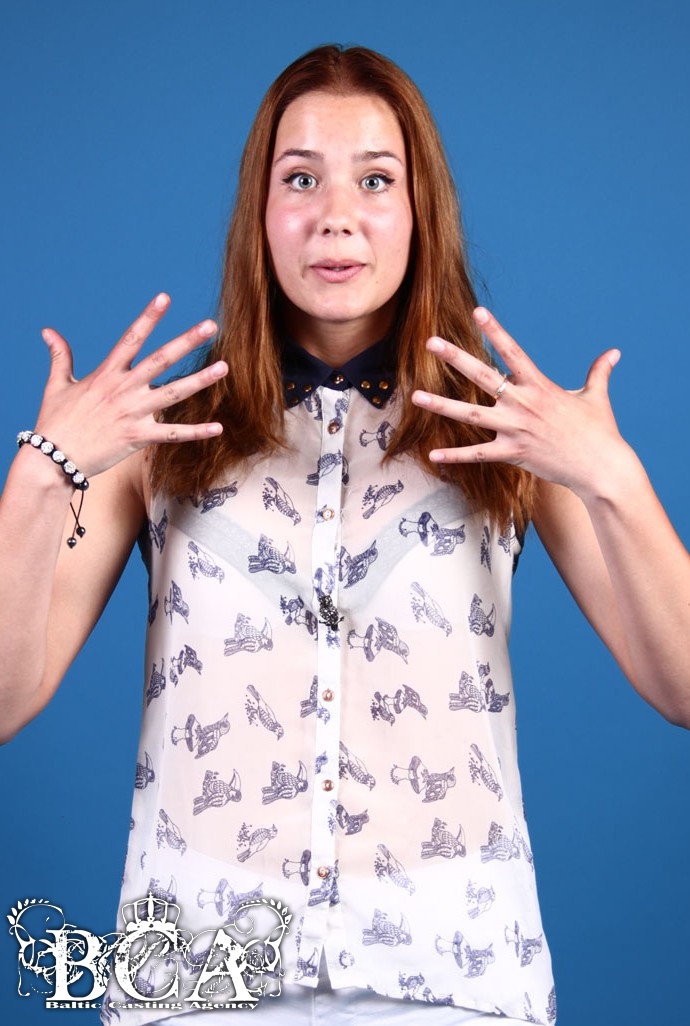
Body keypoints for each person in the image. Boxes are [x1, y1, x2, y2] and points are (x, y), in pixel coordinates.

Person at [1, 43, 689, 1026]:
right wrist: (41, 475)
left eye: (375, 180)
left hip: (456, 983)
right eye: (300, 179)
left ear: (420, 210)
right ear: (259, 210)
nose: (336, 215)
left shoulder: (515, 433)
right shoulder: (151, 437)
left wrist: (615, 480)